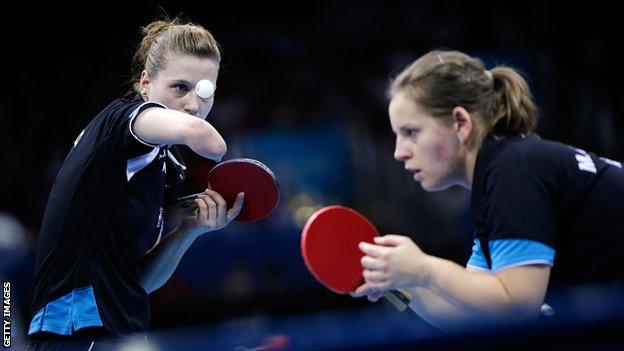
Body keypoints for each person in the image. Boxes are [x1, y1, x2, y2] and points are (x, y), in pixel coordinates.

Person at [352, 50, 624, 330]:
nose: (398, 152)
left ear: (460, 123)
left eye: (411, 132)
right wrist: (398, 282)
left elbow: (518, 307)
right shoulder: (500, 178)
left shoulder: (516, 170)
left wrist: (425, 269)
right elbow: (474, 316)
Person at [26, 17, 244, 350]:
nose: (193, 104)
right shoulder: (126, 120)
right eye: (181, 87)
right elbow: (209, 141)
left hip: (121, 331)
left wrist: (190, 231)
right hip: (76, 330)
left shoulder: (161, 166)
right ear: (145, 84)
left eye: (205, 92)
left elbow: (139, 282)